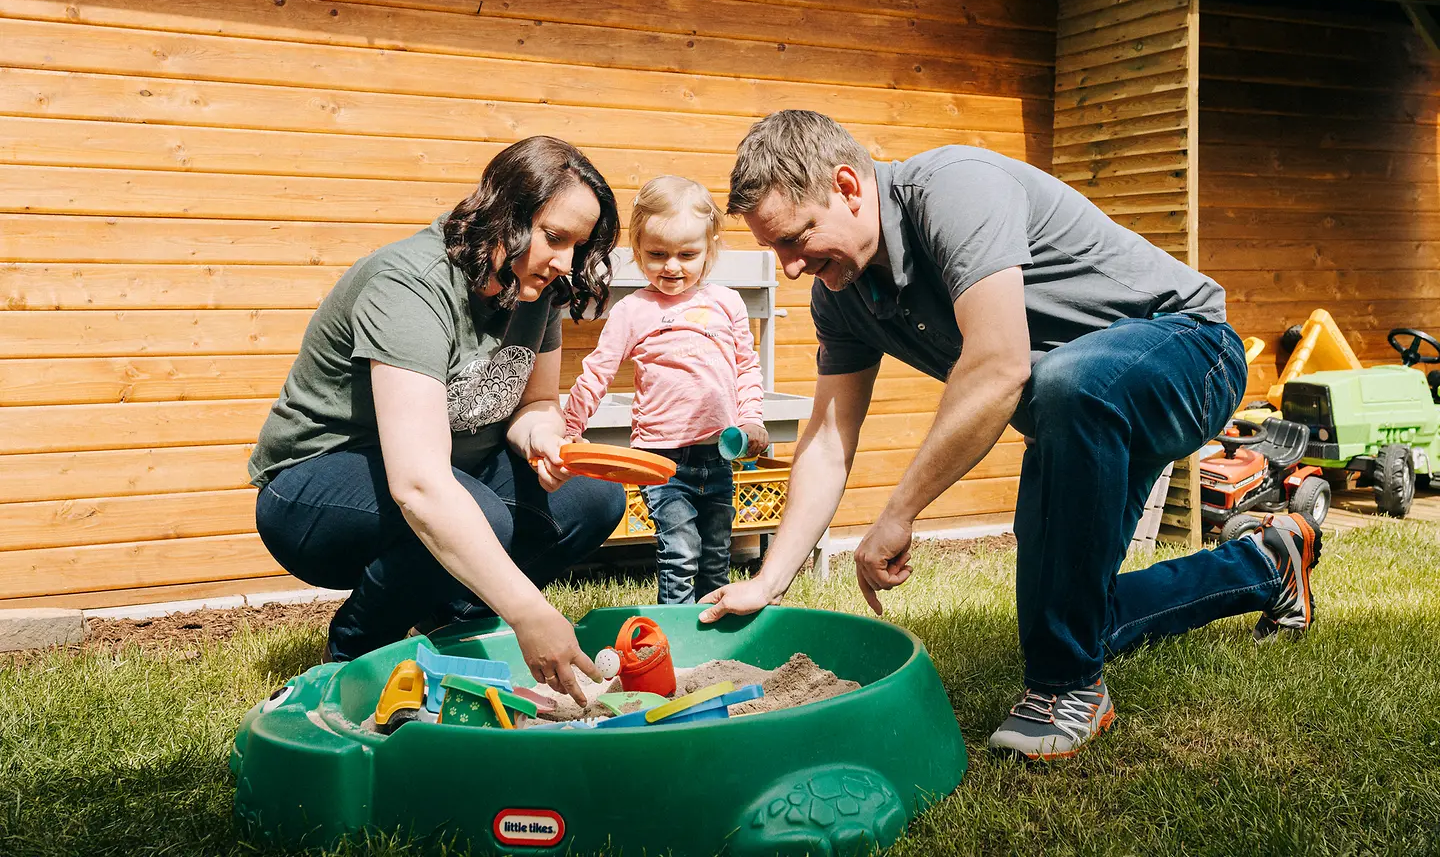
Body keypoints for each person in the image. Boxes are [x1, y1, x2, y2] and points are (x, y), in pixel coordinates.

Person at [698, 110, 1323, 760]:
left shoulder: (953, 190)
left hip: (1191, 354)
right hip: (1079, 412)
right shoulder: (842, 294)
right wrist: (770, 579)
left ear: (849, 187)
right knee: (1074, 614)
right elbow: (828, 438)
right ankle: (1268, 563)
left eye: (795, 240)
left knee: (1065, 393)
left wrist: (898, 512)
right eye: (776, 251)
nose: (791, 267)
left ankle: (1068, 690)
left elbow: (1000, 366)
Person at [249, 136, 627, 705]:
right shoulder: (412, 286)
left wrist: (545, 438)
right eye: (555, 237)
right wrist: (529, 608)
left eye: (578, 245)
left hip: (450, 474)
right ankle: (353, 656)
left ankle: (452, 626)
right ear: (507, 213)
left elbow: (534, 404)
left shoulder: (535, 289)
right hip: (312, 486)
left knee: (594, 499)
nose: (567, 262)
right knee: (477, 513)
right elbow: (420, 485)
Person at [563, 175, 768, 604]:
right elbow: (596, 372)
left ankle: (717, 628)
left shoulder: (727, 303)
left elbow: (746, 367)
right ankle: (673, 636)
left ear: (710, 248)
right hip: (661, 458)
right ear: (638, 250)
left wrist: (751, 418)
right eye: (657, 254)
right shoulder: (634, 310)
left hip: (719, 452)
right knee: (680, 553)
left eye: (687, 254)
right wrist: (569, 429)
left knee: (716, 554)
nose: (672, 266)